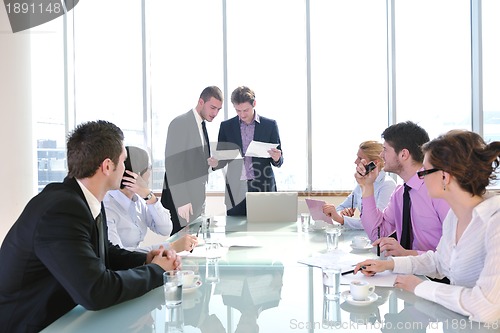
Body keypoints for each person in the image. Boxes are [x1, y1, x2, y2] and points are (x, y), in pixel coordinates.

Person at [0, 120, 181, 332]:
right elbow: (96, 291)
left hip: (64, 319)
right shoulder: (61, 210)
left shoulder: (84, 200)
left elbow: (104, 252)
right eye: (122, 162)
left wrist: (145, 259)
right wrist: (156, 271)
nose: (125, 168)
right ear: (107, 166)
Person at [354, 129, 500, 323]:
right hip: (459, 322)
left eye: (424, 171)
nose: (420, 177)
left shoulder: (494, 223)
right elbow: (439, 262)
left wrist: (419, 287)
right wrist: (389, 265)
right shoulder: (455, 218)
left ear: (444, 177)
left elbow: (487, 308)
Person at [355, 121, 450, 257]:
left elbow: (457, 252)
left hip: (439, 277)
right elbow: (377, 234)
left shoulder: (440, 190)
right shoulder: (400, 193)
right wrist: (367, 186)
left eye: (385, 150)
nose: (381, 155)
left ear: (404, 154)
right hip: (408, 271)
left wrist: (408, 254)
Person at [104, 146, 198, 253]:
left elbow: (165, 229)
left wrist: (150, 196)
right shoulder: (107, 207)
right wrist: (171, 247)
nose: (150, 172)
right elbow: (119, 255)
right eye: (149, 167)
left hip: (137, 264)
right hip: (123, 267)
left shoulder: (138, 200)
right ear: (137, 173)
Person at [161, 86, 223, 234]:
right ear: (201, 102)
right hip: (181, 200)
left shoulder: (202, 125)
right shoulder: (180, 123)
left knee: (193, 243)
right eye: (212, 107)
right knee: (179, 245)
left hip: (197, 198)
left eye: (218, 110)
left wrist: (212, 164)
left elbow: (193, 161)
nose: (215, 113)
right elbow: (172, 164)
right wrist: (182, 200)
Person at [215, 86, 283, 216]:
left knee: (264, 230)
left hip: (263, 189)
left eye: (246, 110)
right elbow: (221, 158)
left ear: (254, 104)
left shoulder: (269, 125)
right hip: (235, 190)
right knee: (234, 232)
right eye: (238, 110)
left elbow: (279, 161)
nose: (242, 114)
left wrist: (276, 158)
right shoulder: (226, 127)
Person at [322, 140, 396, 228]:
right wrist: (342, 213)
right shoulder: (362, 182)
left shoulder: (387, 185)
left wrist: (342, 219)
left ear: (374, 164)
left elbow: (377, 223)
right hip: (365, 236)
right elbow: (340, 207)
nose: (355, 162)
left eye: (360, 158)